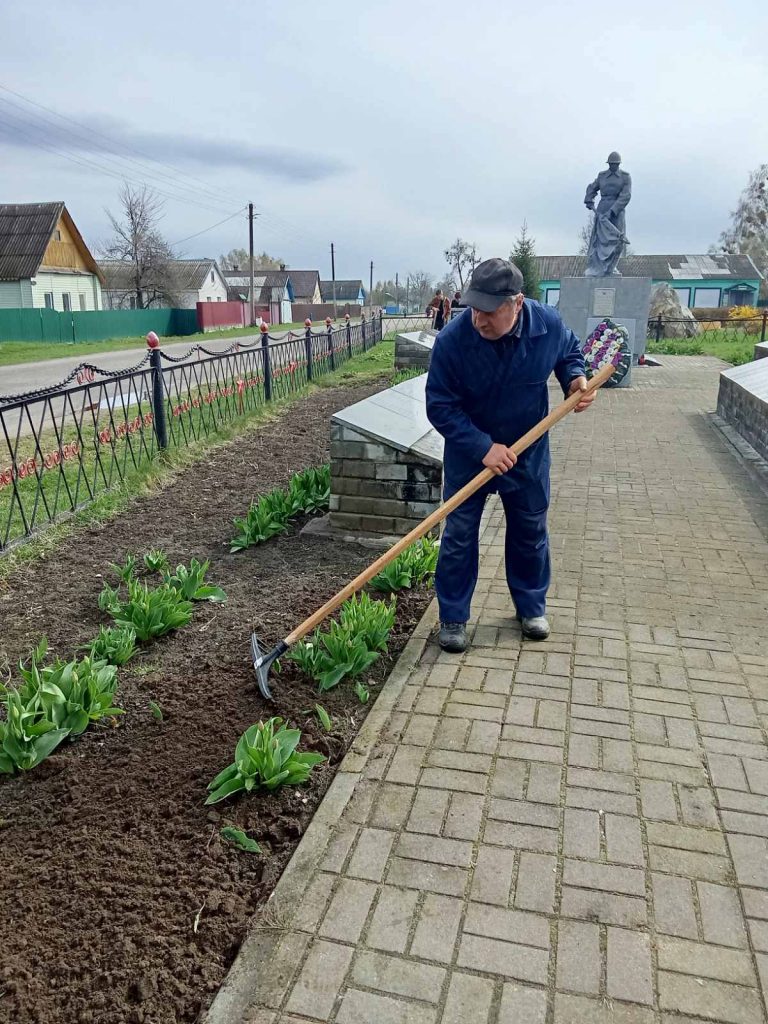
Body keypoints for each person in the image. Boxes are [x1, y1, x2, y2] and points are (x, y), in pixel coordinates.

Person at [425, 258, 595, 652]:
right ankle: (453, 616)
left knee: (530, 531)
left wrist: (575, 378)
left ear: (517, 303)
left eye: (488, 311)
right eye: (474, 308)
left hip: (527, 452)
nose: (478, 319)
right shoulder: (453, 341)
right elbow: (440, 405)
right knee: (459, 534)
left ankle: (531, 607)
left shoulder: (546, 325)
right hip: (470, 454)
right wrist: (483, 447)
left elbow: (569, 351)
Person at [584, 151, 632, 276]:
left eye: (615, 164)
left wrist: (612, 211)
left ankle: (611, 267)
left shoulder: (625, 177)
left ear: (619, 164)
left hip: (617, 211)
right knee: (600, 241)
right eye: (611, 164)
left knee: (617, 240)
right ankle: (597, 267)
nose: (613, 166)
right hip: (603, 209)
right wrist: (589, 199)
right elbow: (592, 187)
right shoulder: (602, 176)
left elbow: (626, 195)